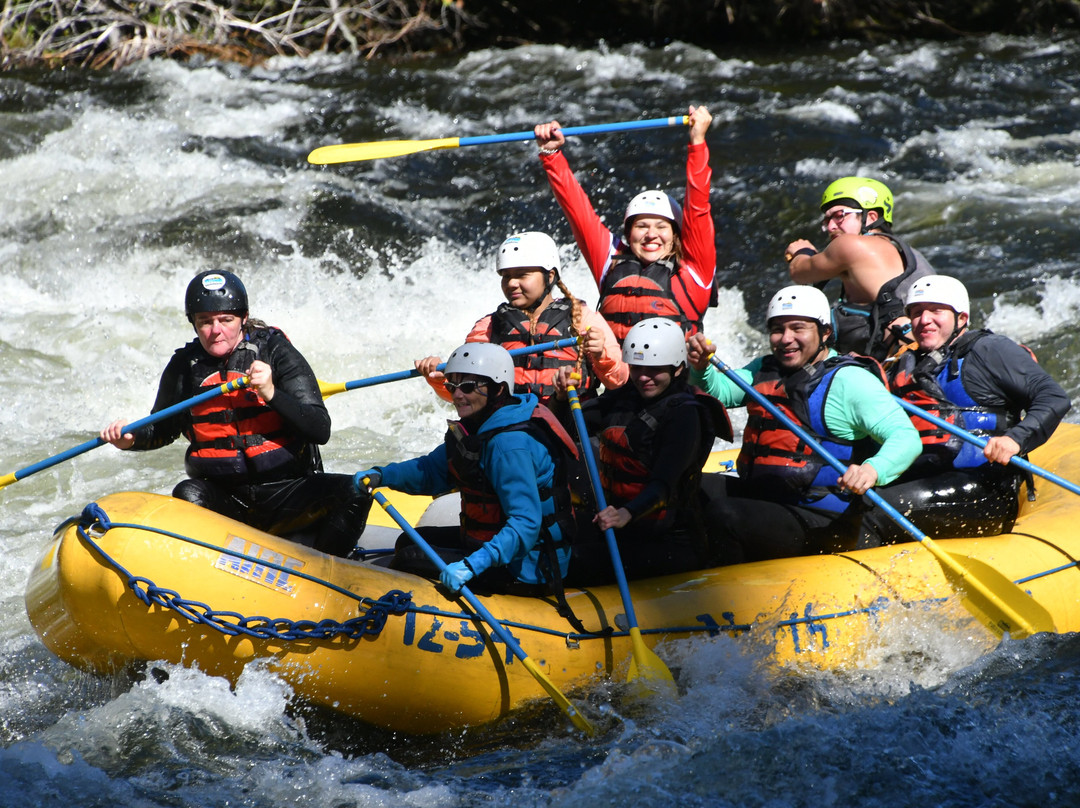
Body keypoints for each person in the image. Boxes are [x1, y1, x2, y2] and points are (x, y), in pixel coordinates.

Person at [101, 270, 371, 558]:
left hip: (287, 492)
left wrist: (271, 393)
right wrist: (131, 438)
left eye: (225, 320)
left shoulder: (276, 351)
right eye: (205, 321)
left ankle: (328, 570)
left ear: (243, 318)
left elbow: (319, 428)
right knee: (188, 494)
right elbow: (161, 428)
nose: (215, 330)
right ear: (194, 324)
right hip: (227, 499)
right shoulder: (184, 366)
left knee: (355, 491)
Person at [687, 285, 922, 563]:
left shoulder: (849, 381)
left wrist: (872, 470)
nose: (786, 338)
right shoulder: (765, 368)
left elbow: (906, 437)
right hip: (768, 499)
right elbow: (722, 392)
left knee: (724, 515)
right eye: (778, 329)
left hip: (824, 519)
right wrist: (700, 367)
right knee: (689, 488)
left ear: (824, 333)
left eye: (798, 328)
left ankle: (725, 587)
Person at [356, 342, 579, 595]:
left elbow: (526, 524)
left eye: (468, 387)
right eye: (453, 386)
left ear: (498, 389)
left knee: (410, 558)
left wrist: (471, 566)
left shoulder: (509, 445)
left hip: (529, 566)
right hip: (497, 546)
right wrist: (382, 475)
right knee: (407, 540)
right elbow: (431, 471)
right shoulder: (479, 426)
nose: (457, 395)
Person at [865, 275, 1072, 545]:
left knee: (875, 512)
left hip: (985, 487)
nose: (924, 320)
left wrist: (1014, 439)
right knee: (853, 502)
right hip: (926, 478)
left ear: (961, 319)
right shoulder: (909, 363)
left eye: (936, 311)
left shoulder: (989, 350)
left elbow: (1054, 397)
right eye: (916, 313)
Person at [553, 318, 731, 583]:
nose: (643, 378)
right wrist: (561, 397)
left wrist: (627, 513)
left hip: (669, 540)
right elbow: (567, 429)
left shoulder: (685, 414)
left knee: (568, 562)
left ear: (678, 368)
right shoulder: (625, 398)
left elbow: (665, 484)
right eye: (637, 368)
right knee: (549, 544)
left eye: (655, 369)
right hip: (621, 528)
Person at [533, 105, 716, 344]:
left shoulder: (695, 271)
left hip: (674, 379)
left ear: (675, 234)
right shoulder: (611, 261)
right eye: (641, 226)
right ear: (629, 234)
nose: (651, 235)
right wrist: (551, 155)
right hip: (617, 377)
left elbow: (698, 206)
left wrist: (697, 141)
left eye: (661, 227)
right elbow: (577, 210)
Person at [415, 231, 627, 409]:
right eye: (506, 276)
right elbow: (463, 394)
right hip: (512, 424)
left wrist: (600, 354)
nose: (512, 284)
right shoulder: (488, 327)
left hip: (569, 423)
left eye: (522, 275)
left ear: (550, 276)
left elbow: (618, 379)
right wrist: (437, 378)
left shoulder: (583, 318)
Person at [785, 176, 936, 361]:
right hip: (927, 356)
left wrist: (802, 251)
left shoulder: (849, 245)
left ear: (871, 217)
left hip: (901, 361)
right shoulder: (913, 255)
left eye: (839, 215)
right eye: (827, 220)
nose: (831, 226)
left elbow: (799, 272)